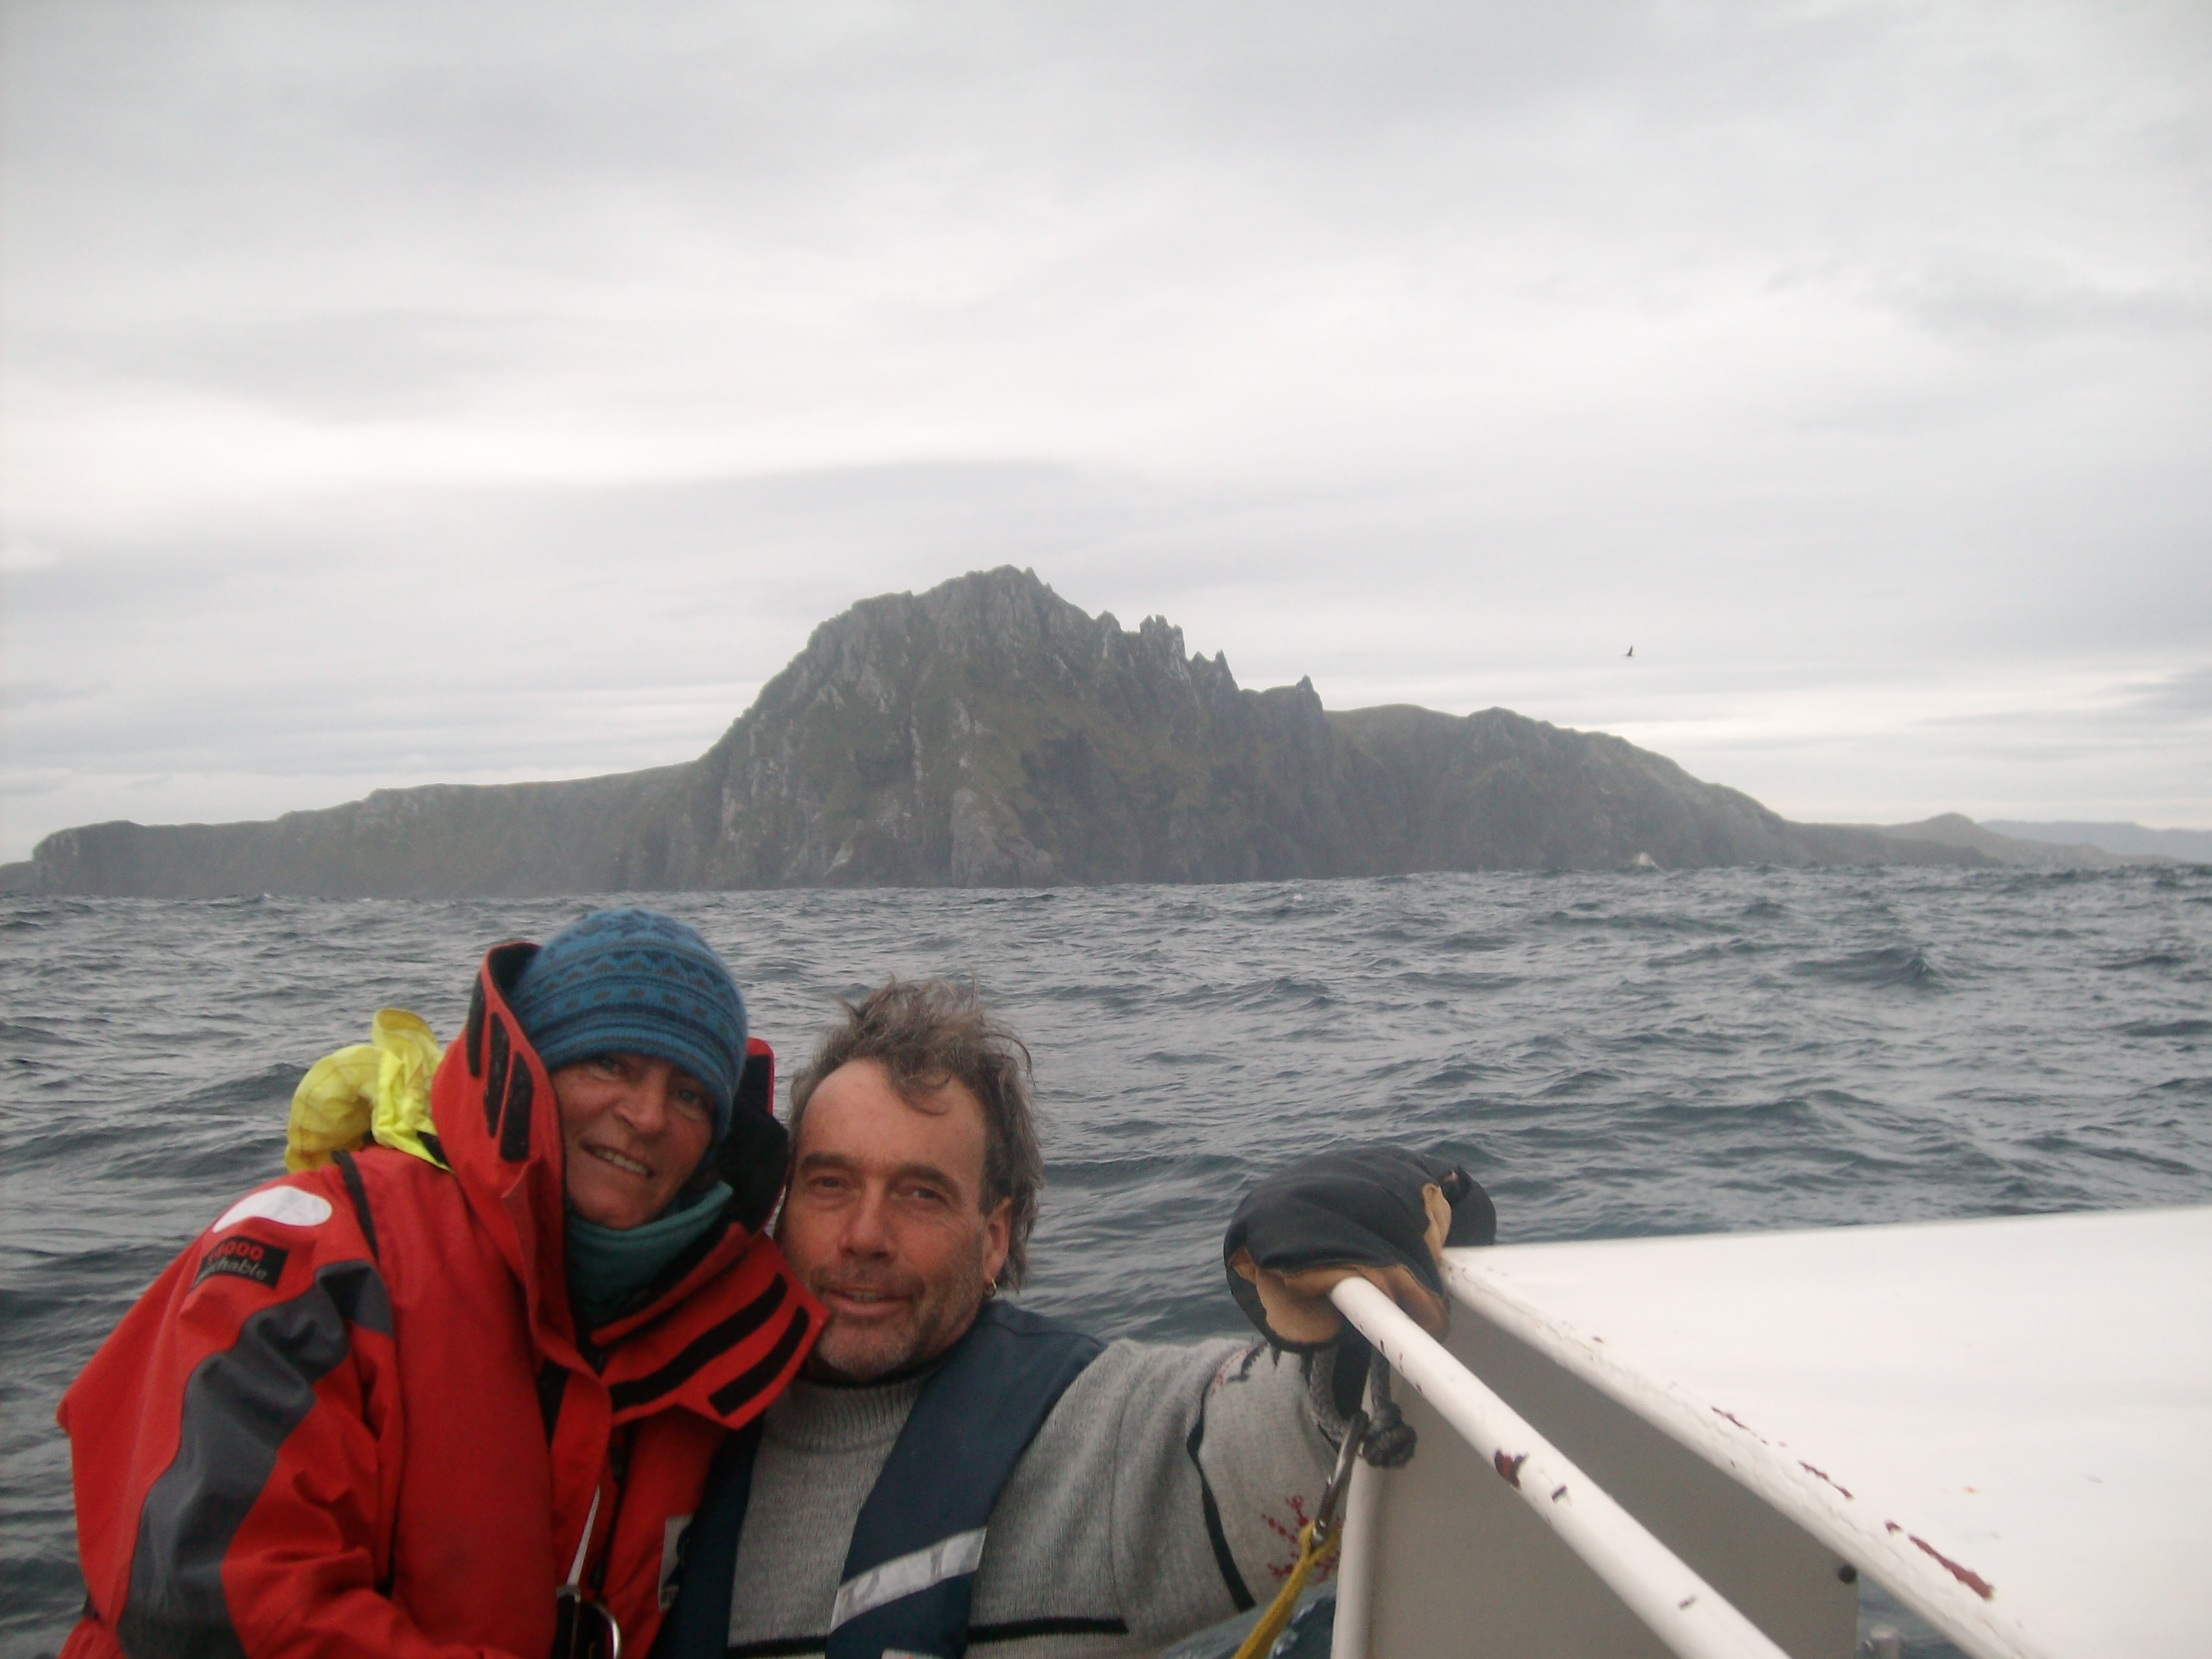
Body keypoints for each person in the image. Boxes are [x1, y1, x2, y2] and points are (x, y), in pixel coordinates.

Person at [57, 908, 821, 1659]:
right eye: (608, 1063)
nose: (648, 1115)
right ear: (530, 1069)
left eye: (691, 1095)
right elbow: (209, 1608)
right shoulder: (309, 1259)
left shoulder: (727, 1335)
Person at [654, 978, 1494, 1659]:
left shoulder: (1094, 1438)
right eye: (830, 1184)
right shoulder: (666, 1427)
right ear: (780, 1204)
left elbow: (1297, 1433)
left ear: (995, 1241)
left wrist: (1369, 1244)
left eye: (920, 1194)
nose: (864, 1236)